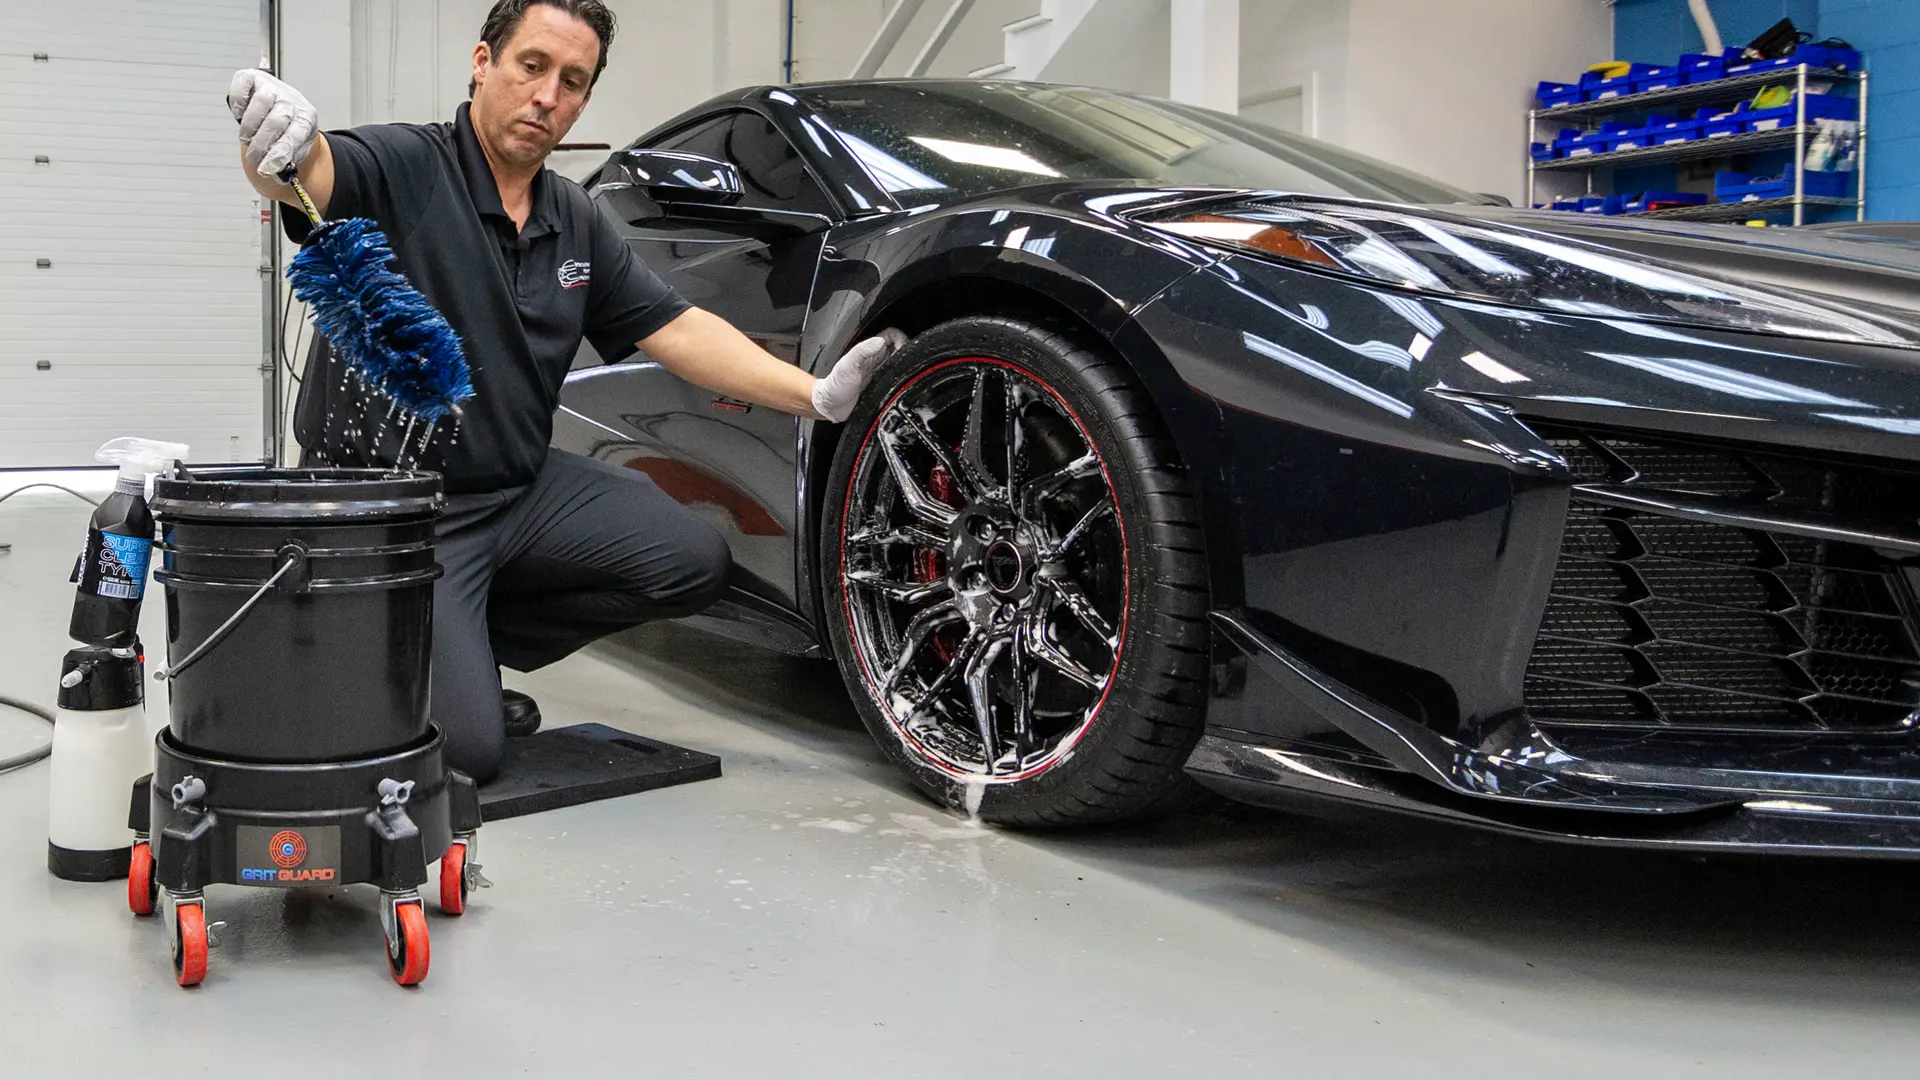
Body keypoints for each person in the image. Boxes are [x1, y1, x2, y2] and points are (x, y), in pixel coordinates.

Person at [228, 0, 901, 783]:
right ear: (484, 63)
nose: (548, 95)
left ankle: (462, 643)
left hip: (516, 491)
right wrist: (277, 140)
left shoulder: (573, 218)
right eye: (532, 66)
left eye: (573, 81)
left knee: (691, 560)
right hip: (396, 513)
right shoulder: (410, 165)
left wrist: (816, 395)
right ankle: (387, 648)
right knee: (471, 756)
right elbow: (307, 174)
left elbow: (677, 328)